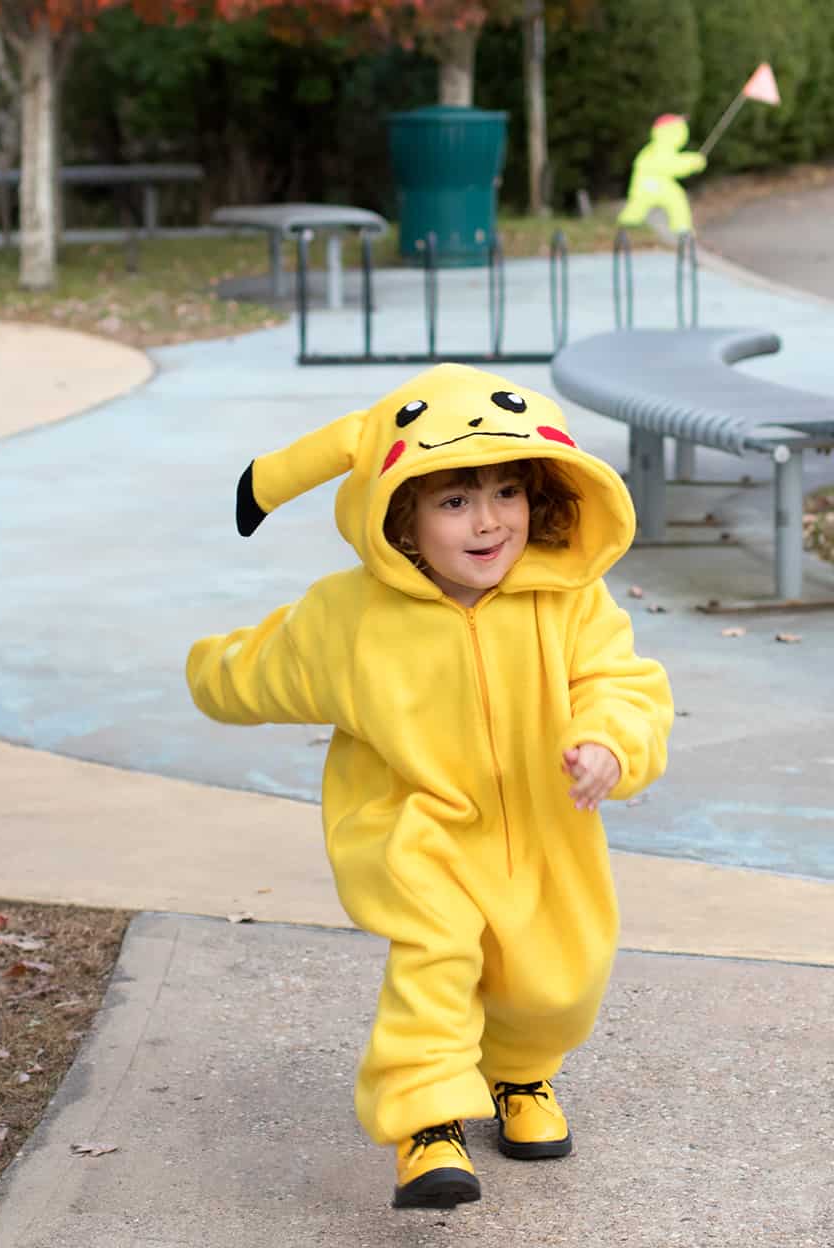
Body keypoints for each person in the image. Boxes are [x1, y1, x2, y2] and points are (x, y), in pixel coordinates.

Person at [186, 363, 673, 1209]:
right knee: (437, 954)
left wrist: (607, 742)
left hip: (545, 822)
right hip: (411, 823)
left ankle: (519, 1074)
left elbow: (622, 685)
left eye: (506, 492)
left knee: (557, 983)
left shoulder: (569, 598)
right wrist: (207, 673)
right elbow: (263, 669)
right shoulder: (351, 616)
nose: (488, 522)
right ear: (399, 516)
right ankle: (427, 1124)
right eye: (453, 501)